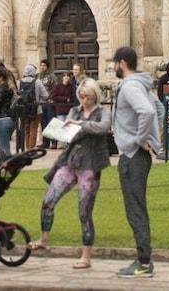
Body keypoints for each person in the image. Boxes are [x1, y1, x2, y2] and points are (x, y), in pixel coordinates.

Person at [30, 78, 111, 270]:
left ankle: (86, 256)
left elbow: (103, 128)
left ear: (95, 95)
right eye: (81, 96)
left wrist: (81, 125)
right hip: (71, 161)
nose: (84, 100)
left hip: (90, 165)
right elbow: (70, 134)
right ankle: (44, 239)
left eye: (88, 96)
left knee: (84, 211)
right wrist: (64, 128)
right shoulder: (75, 111)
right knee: (48, 200)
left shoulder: (103, 111)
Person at [111, 46, 161, 278]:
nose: (113, 68)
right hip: (137, 154)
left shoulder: (131, 86)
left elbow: (148, 113)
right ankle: (143, 259)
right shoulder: (140, 85)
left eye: (114, 64)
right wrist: (153, 139)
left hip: (132, 156)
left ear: (122, 63)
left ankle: (143, 262)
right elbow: (158, 109)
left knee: (135, 210)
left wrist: (140, 139)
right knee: (136, 208)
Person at [14, 64, 49, 149]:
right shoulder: (37, 82)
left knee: (26, 128)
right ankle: (31, 149)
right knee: (34, 128)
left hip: (23, 109)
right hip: (36, 109)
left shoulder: (19, 82)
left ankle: (27, 148)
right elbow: (46, 95)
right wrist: (39, 98)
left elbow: (16, 95)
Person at [37, 59, 57, 149]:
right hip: (41, 103)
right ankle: (45, 142)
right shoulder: (37, 77)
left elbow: (55, 88)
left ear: (47, 67)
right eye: (41, 65)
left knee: (51, 122)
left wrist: (51, 98)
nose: (42, 67)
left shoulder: (52, 76)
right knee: (43, 123)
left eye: (44, 65)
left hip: (50, 103)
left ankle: (54, 142)